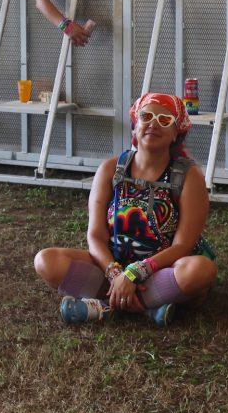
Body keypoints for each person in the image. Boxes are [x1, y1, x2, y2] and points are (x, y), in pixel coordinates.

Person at [33, 93, 216, 326]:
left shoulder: (189, 176)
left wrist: (136, 273)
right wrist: (116, 273)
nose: (153, 124)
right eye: (146, 116)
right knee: (46, 261)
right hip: (112, 269)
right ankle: (149, 305)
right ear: (134, 126)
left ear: (175, 134)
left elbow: (183, 245)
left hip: (164, 269)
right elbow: (96, 236)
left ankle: (107, 305)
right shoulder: (111, 169)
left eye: (164, 120)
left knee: (201, 269)